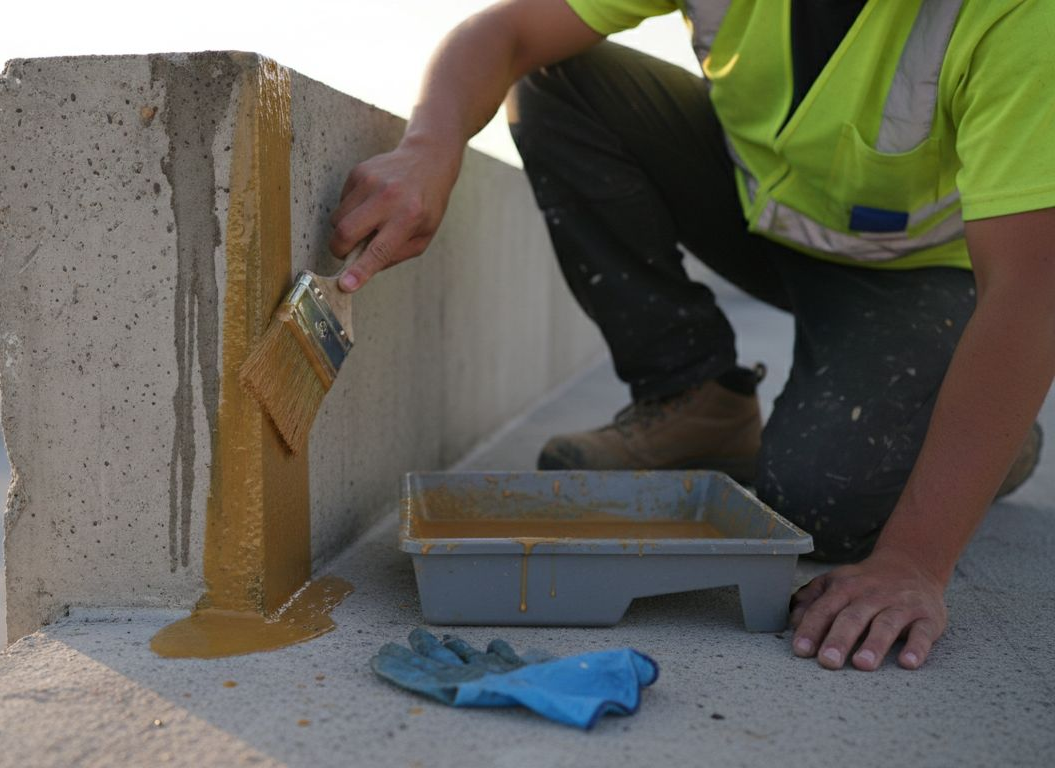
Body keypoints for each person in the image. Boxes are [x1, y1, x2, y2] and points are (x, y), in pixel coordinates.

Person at [327, 0, 1055, 672]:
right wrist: (429, 144)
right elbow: (508, 33)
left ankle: (987, 434)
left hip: (912, 271)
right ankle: (694, 397)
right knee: (552, 78)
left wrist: (916, 559)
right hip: (758, 204)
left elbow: (1030, 288)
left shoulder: (1016, 15)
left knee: (821, 508)